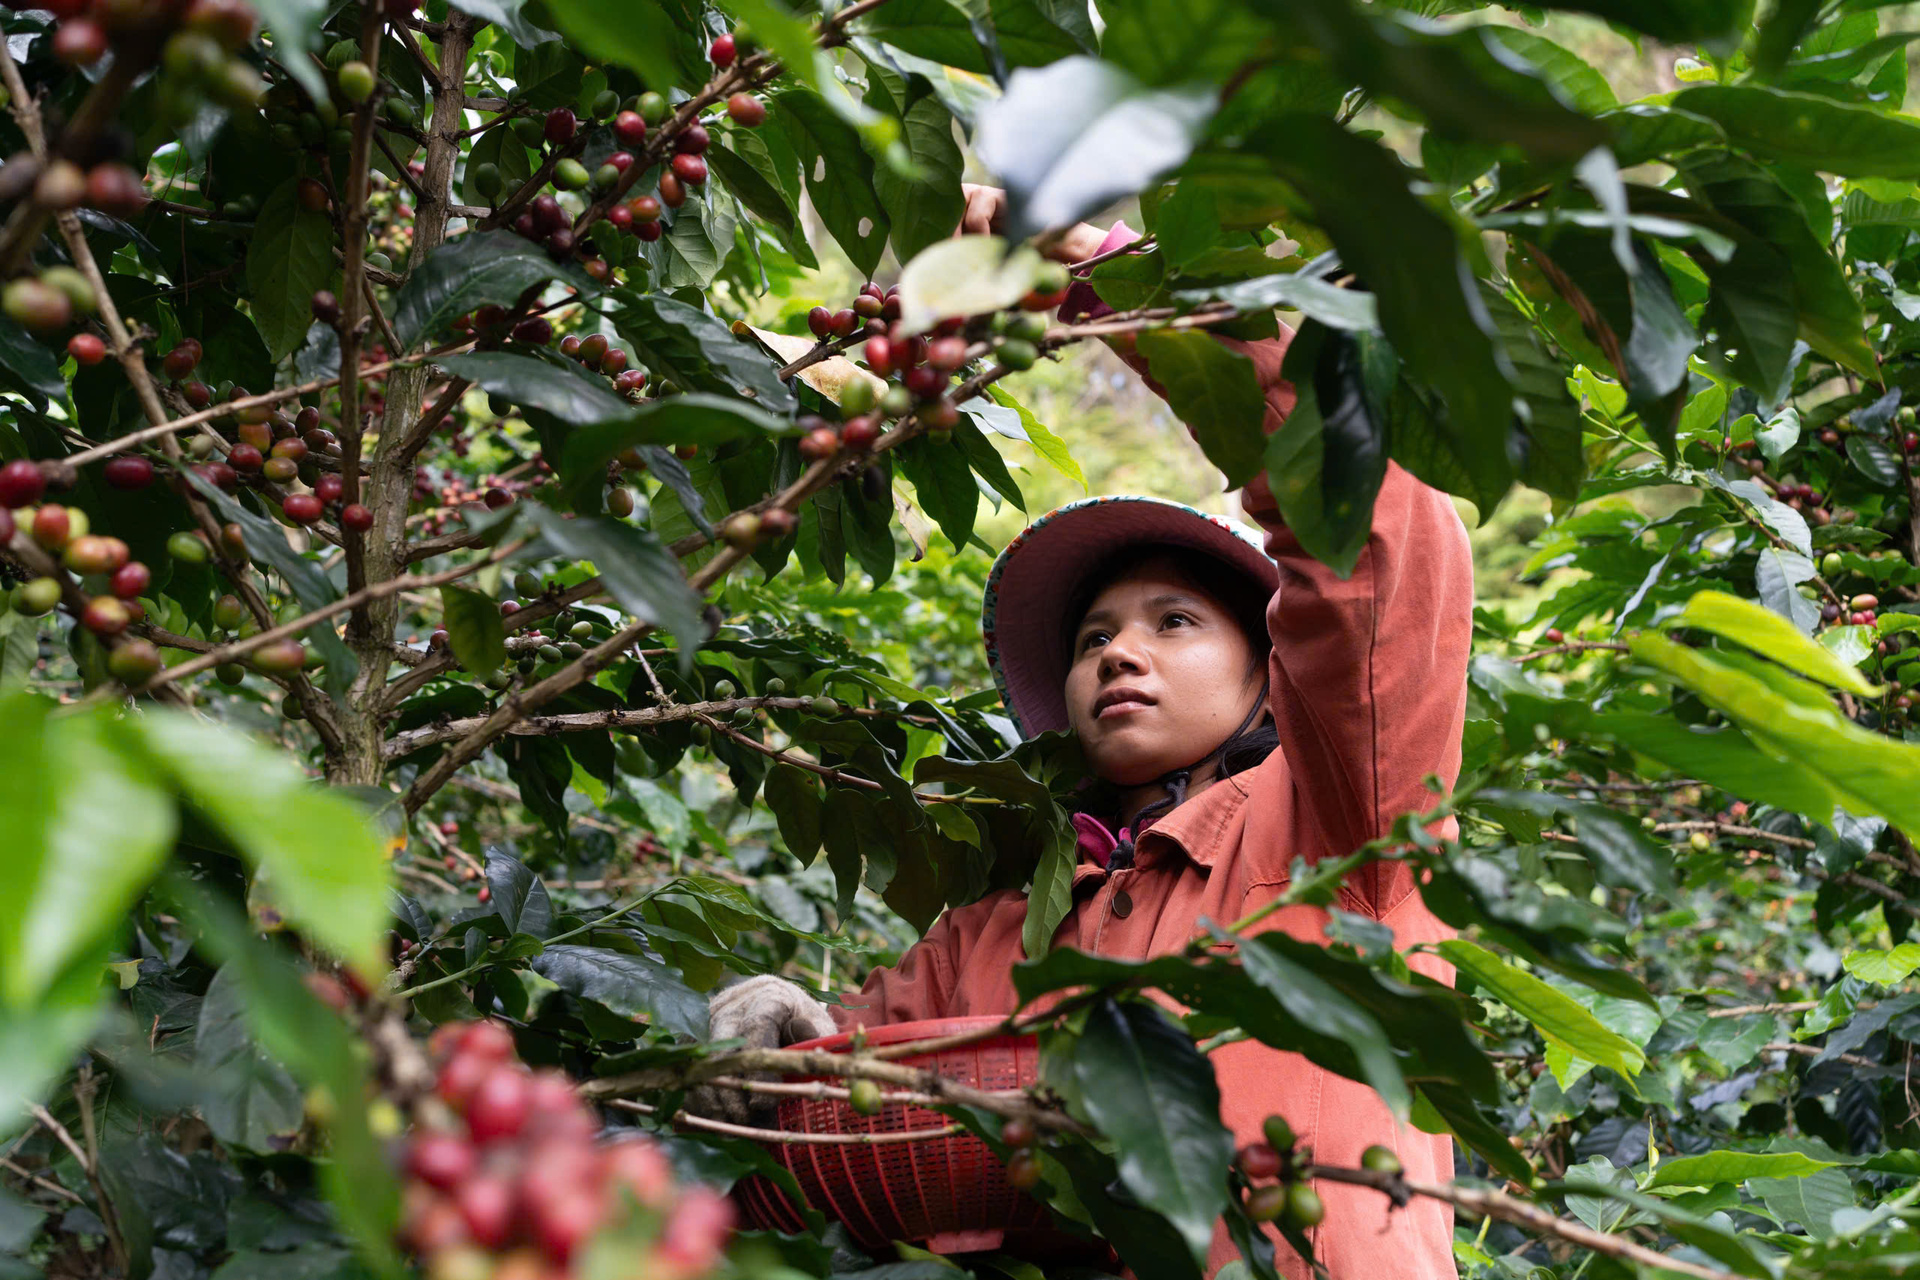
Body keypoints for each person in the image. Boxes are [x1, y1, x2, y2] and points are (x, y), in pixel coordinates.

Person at [699, 190, 1475, 1280]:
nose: (1118, 653)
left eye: (1174, 623)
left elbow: (1374, 525)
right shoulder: (1002, 924)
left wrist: (1129, 290)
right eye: (1094, 636)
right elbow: (858, 1094)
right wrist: (782, 1024)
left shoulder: (1336, 831)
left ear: (1270, 678)